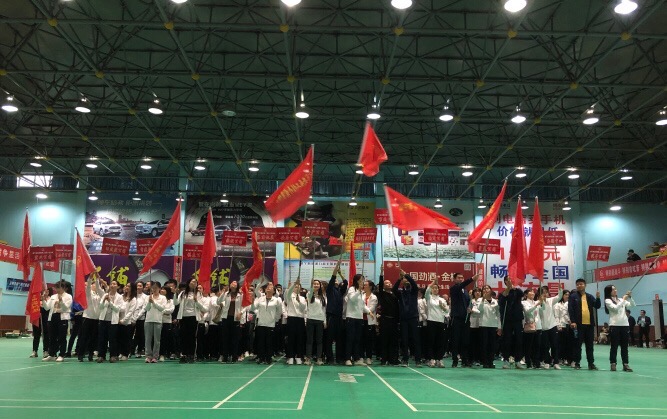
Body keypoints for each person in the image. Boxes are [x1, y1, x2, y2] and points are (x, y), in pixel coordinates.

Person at [568, 278, 601, 370]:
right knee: (577, 345)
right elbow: (570, 309)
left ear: (585, 285)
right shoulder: (573, 296)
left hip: (589, 325)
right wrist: (573, 321)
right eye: (577, 284)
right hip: (578, 325)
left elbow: (597, 306)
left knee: (590, 345)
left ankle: (591, 363)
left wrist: (598, 298)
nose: (579, 286)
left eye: (581, 284)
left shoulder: (589, 296)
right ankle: (577, 363)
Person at [448, 272, 478, 367]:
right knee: (455, 340)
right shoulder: (454, 288)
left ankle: (465, 360)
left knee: (465, 340)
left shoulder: (465, 291)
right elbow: (462, 285)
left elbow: (468, 302)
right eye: (458, 277)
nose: (460, 279)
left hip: (465, 318)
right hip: (456, 318)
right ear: (454, 279)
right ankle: (455, 360)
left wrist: (469, 308)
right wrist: (472, 279)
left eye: (462, 277)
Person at [175, 279, 208, 363]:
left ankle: (191, 355)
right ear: (188, 283)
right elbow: (175, 303)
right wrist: (175, 294)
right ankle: (184, 354)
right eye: (192, 282)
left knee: (192, 336)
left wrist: (196, 301)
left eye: (195, 282)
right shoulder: (183, 293)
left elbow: (202, 307)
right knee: (183, 336)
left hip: (193, 317)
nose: (194, 283)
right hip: (183, 317)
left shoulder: (198, 293)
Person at [393, 269, 421, 367]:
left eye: (407, 279)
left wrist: (406, 275)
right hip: (404, 319)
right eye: (405, 279)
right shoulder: (400, 293)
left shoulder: (413, 291)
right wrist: (399, 279)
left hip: (413, 318)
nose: (407, 280)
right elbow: (394, 290)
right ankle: (405, 359)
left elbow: (414, 284)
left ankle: (418, 360)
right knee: (404, 340)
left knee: (416, 339)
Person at [604, 285, 635, 371]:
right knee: (614, 346)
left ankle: (625, 364)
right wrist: (624, 300)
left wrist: (630, 297)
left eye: (615, 289)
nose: (615, 290)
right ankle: (613, 363)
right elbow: (615, 309)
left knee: (625, 346)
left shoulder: (621, 300)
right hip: (614, 325)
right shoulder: (608, 301)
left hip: (625, 325)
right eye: (613, 289)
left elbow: (632, 305)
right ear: (609, 292)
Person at [251, 283, 283, 364]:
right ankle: (261, 357)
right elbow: (253, 308)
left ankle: (268, 358)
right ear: (265, 290)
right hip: (261, 323)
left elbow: (279, 312)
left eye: (271, 287)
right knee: (261, 342)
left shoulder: (276, 300)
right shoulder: (260, 299)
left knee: (269, 342)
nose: (268, 288)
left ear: (274, 291)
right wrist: (252, 302)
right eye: (267, 287)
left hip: (271, 324)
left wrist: (275, 319)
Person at [345, 273, 373, 366]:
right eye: (361, 280)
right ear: (356, 281)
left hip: (359, 318)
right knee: (350, 338)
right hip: (351, 317)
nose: (362, 282)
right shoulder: (352, 289)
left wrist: (369, 312)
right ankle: (348, 358)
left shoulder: (362, 292)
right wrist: (359, 291)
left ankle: (357, 358)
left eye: (363, 280)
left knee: (357, 339)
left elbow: (362, 305)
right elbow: (352, 299)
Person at [498, 276, 525, 369]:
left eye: (511, 279)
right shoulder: (503, 293)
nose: (510, 281)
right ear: (505, 282)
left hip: (517, 319)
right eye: (508, 280)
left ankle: (518, 361)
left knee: (519, 340)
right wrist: (508, 289)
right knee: (507, 340)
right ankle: (506, 360)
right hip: (507, 320)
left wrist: (514, 288)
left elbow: (522, 294)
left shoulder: (517, 291)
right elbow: (501, 302)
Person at [42, 281, 73, 362]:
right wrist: (43, 300)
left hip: (62, 318)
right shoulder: (53, 296)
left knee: (62, 337)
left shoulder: (68, 296)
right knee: (52, 337)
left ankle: (61, 354)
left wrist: (61, 301)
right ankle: (52, 354)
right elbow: (47, 308)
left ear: (63, 288)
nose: (57, 290)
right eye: (56, 288)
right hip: (52, 317)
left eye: (59, 288)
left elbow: (66, 308)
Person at [96, 279, 125, 363]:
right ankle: (101, 355)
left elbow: (117, 309)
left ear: (118, 287)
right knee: (102, 339)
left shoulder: (119, 297)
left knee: (112, 339)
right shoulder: (105, 295)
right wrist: (104, 300)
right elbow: (100, 307)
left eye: (114, 284)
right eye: (111, 284)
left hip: (113, 321)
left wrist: (110, 302)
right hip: (103, 320)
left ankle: (113, 355)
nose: (112, 285)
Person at [375, 266, 400, 366]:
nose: (388, 284)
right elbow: (380, 284)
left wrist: (400, 278)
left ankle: (392, 359)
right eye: (386, 283)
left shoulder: (395, 294)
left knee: (393, 341)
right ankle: (384, 359)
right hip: (385, 320)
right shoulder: (382, 294)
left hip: (394, 321)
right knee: (384, 340)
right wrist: (381, 273)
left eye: (389, 283)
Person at [424, 278, 450, 368]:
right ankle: (431, 359)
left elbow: (447, 311)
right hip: (431, 321)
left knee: (440, 341)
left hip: (441, 322)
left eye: (436, 288)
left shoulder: (442, 299)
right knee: (431, 341)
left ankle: (439, 359)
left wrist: (442, 307)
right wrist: (433, 282)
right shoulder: (429, 298)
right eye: (433, 288)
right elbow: (427, 291)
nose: (435, 289)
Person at [325, 260, 347, 364]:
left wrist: (340, 274)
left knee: (339, 339)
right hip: (331, 317)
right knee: (329, 339)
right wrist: (337, 266)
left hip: (339, 317)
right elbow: (333, 277)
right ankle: (329, 358)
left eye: (337, 280)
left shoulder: (340, 291)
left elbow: (346, 283)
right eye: (335, 280)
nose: (336, 281)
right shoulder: (329, 290)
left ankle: (339, 358)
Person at [538, 284, 563, 369]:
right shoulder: (537, 303)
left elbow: (559, 296)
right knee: (545, 346)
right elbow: (540, 311)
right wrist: (541, 303)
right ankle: (547, 362)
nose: (545, 294)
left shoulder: (551, 300)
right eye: (543, 292)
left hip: (552, 325)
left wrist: (560, 290)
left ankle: (556, 362)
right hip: (543, 327)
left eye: (546, 292)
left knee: (554, 345)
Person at [218, 280, 244, 363]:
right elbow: (218, 301)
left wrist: (241, 313)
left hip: (236, 318)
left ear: (237, 285)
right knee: (225, 338)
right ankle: (225, 356)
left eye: (235, 283)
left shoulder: (240, 295)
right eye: (232, 283)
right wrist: (223, 293)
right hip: (226, 318)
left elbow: (245, 305)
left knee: (235, 339)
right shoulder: (226, 294)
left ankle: (234, 356)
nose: (233, 284)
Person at [77, 275, 101, 362]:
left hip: (96, 318)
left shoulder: (100, 295)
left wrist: (98, 279)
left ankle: (91, 354)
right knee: (84, 337)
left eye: (96, 284)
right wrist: (90, 278)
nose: (95, 285)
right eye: (93, 284)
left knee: (93, 338)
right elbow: (87, 288)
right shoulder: (89, 293)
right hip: (87, 317)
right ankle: (81, 354)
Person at [477, 285, 501, 369]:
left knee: (492, 345)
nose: (485, 290)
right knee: (484, 344)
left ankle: (491, 361)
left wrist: (499, 326)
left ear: (490, 290)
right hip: (483, 324)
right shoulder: (480, 300)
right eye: (484, 289)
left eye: (487, 288)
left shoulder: (495, 301)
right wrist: (483, 299)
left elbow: (498, 314)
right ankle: (485, 362)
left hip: (493, 325)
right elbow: (479, 309)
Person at [285, 279, 307, 365]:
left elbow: (303, 309)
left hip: (300, 319)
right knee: (291, 338)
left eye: (298, 287)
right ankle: (290, 356)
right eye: (295, 287)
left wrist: (299, 301)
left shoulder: (302, 298)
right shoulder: (289, 296)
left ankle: (298, 356)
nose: (297, 288)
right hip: (291, 318)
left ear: (300, 289)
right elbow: (288, 292)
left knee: (300, 339)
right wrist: (293, 284)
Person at [305, 279, 327, 366]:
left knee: (319, 341)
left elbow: (324, 310)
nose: (316, 285)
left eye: (318, 284)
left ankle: (319, 358)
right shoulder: (309, 294)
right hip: (310, 319)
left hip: (320, 320)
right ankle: (308, 358)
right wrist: (311, 286)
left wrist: (325, 321)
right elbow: (311, 292)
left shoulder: (323, 297)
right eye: (314, 284)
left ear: (320, 286)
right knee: (309, 340)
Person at [144, 281, 167, 363]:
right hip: (148, 320)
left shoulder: (163, 298)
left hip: (158, 320)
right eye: (153, 288)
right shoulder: (148, 297)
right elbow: (146, 309)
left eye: (156, 288)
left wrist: (154, 302)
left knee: (157, 340)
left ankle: (155, 356)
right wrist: (149, 302)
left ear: (159, 288)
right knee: (148, 339)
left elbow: (162, 308)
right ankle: (148, 356)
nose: (154, 289)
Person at [554, 290, 572, 366]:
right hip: (561, 326)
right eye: (566, 295)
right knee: (560, 344)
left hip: (569, 325)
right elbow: (556, 316)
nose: (567, 296)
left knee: (567, 344)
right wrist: (558, 325)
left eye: (568, 295)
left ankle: (566, 358)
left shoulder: (570, 304)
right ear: (562, 296)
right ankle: (559, 358)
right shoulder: (557, 305)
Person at [362, 279, 378, 365]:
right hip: (361, 320)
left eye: (366, 285)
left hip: (369, 321)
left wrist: (362, 309)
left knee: (369, 340)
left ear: (370, 287)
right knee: (361, 339)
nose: (364, 286)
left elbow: (371, 309)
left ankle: (369, 357)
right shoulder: (361, 295)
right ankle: (361, 356)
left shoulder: (374, 297)